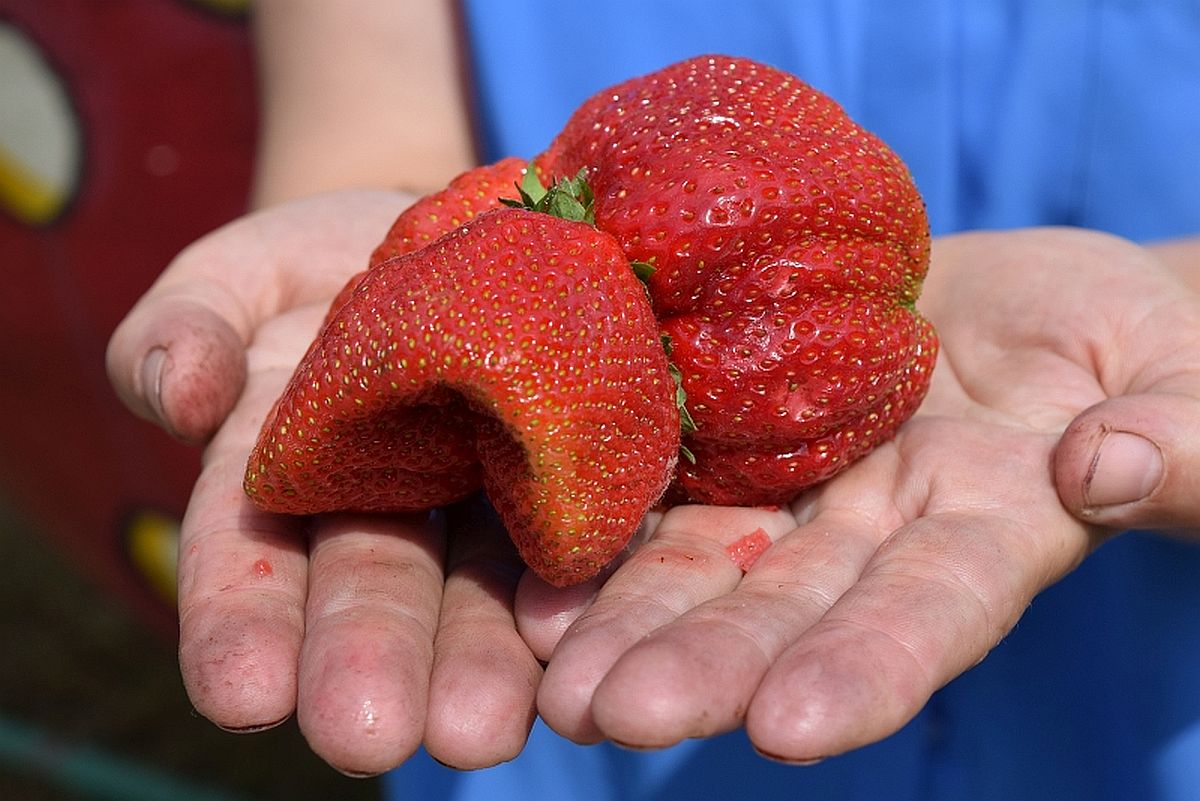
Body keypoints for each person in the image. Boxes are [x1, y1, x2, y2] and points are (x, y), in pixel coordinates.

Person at [106, 1, 1200, 799]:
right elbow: (376, 115)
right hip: (567, 716)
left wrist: (1175, 297)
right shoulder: (551, 223)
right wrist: (404, 232)